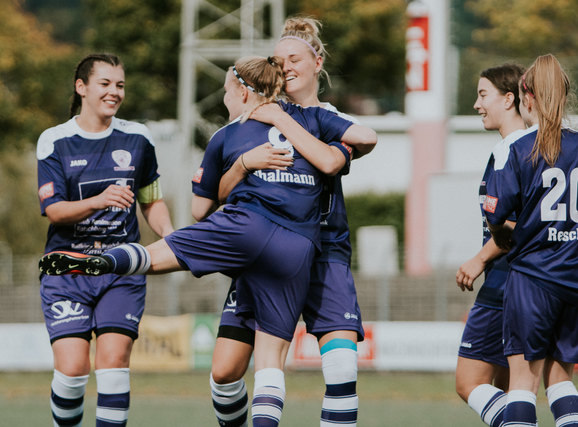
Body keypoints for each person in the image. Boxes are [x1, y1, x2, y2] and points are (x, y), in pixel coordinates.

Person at [40, 54, 377, 427]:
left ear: (245, 93)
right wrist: (251, 163)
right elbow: (360, 140)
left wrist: (247, 158)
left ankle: (112, 261)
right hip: (296, 246)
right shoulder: (316, 120)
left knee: (174, 249)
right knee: (262, 363)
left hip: (250, 228)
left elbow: (201, 209)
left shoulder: (228, 133)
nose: (224, 99)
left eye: (227, 92)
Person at [206, 17, 374, 427]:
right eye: (277, 61)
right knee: (226, 371)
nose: (285, 67)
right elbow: (217, 195)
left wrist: (283, 121)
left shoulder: (328, 118)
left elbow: (334, 159)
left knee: (341, 370)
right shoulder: (250, 119)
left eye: (294, 58)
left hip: (324, 249)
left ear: (318, 62)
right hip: (267, 250)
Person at [36, 53, 174, 426]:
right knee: (72, 370)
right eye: (105, 83)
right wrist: (99, 200)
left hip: (122, 270)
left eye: (120, 85)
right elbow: (54, 211)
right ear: (81, 88)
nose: (114, 92)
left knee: (113, 363)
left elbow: (152, 199)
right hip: (67, 271)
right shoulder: (54, 141)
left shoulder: (138, 138)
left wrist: (171, 236)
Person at [483, 54, 578, 426]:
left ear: (526, 98)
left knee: (523, 384)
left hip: (534, 277)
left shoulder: (518, 148)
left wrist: (505, 238)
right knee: (560, 380)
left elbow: (495, 216)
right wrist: (575, 243)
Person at [454, 63, 529, 426]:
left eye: (483, 95)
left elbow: (518, 225)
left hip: (503, 282)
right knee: (510, 386)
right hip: (531, 283)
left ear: (509, 98)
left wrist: (480, 258)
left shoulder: (510, 151)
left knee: (469, 383)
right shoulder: (539, 148)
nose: (476, 104)